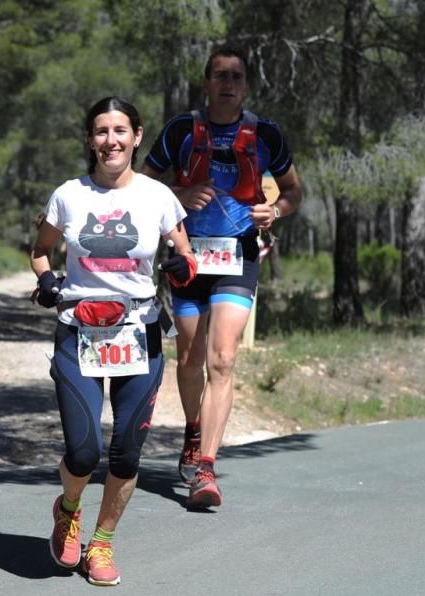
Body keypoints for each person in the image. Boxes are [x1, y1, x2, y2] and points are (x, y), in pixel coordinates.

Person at [30, 96, 197, 586]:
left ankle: (101, 544)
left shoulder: (158, 196)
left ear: (137, 136)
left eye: (120, 130)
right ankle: (69, 508)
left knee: (125, 451)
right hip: (79, 331)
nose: (111, 140)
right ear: (90, 140)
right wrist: (47, 281)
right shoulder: (68, 195)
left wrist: (183, 266)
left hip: (139, 333)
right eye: (101, 131)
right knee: (83, 453)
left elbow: (184, 253)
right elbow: (41, 251)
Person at [142, 46, 304, 509]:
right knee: (190, 360)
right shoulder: (180, 130)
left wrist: (275, 209)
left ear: (246, 85)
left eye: (236, 76)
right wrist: (181, 192)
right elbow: (142, 185)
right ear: (207, 83)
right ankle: (193, 429)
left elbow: (295, 190)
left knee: (224, 359)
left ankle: (206, 469)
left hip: (238, 255)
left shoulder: (265, 133)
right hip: (189, 257)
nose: (227, 83)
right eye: (219, 75)